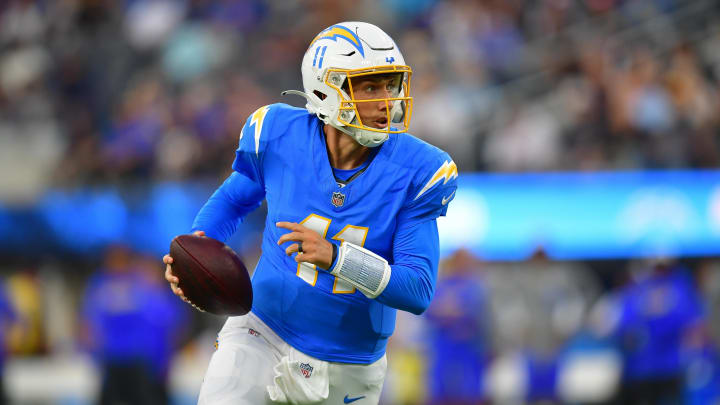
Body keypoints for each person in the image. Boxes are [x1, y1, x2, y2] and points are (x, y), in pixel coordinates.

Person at [164, 21, 458, 405]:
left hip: (347, 366)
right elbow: (235, 199)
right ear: (326, 89)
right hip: (262, 332)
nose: (387, 100)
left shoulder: (420, 171)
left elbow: (418, 289)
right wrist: (197, 248)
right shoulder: (278, 132)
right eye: (370, 86)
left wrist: (337, 257)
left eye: (391, 84)